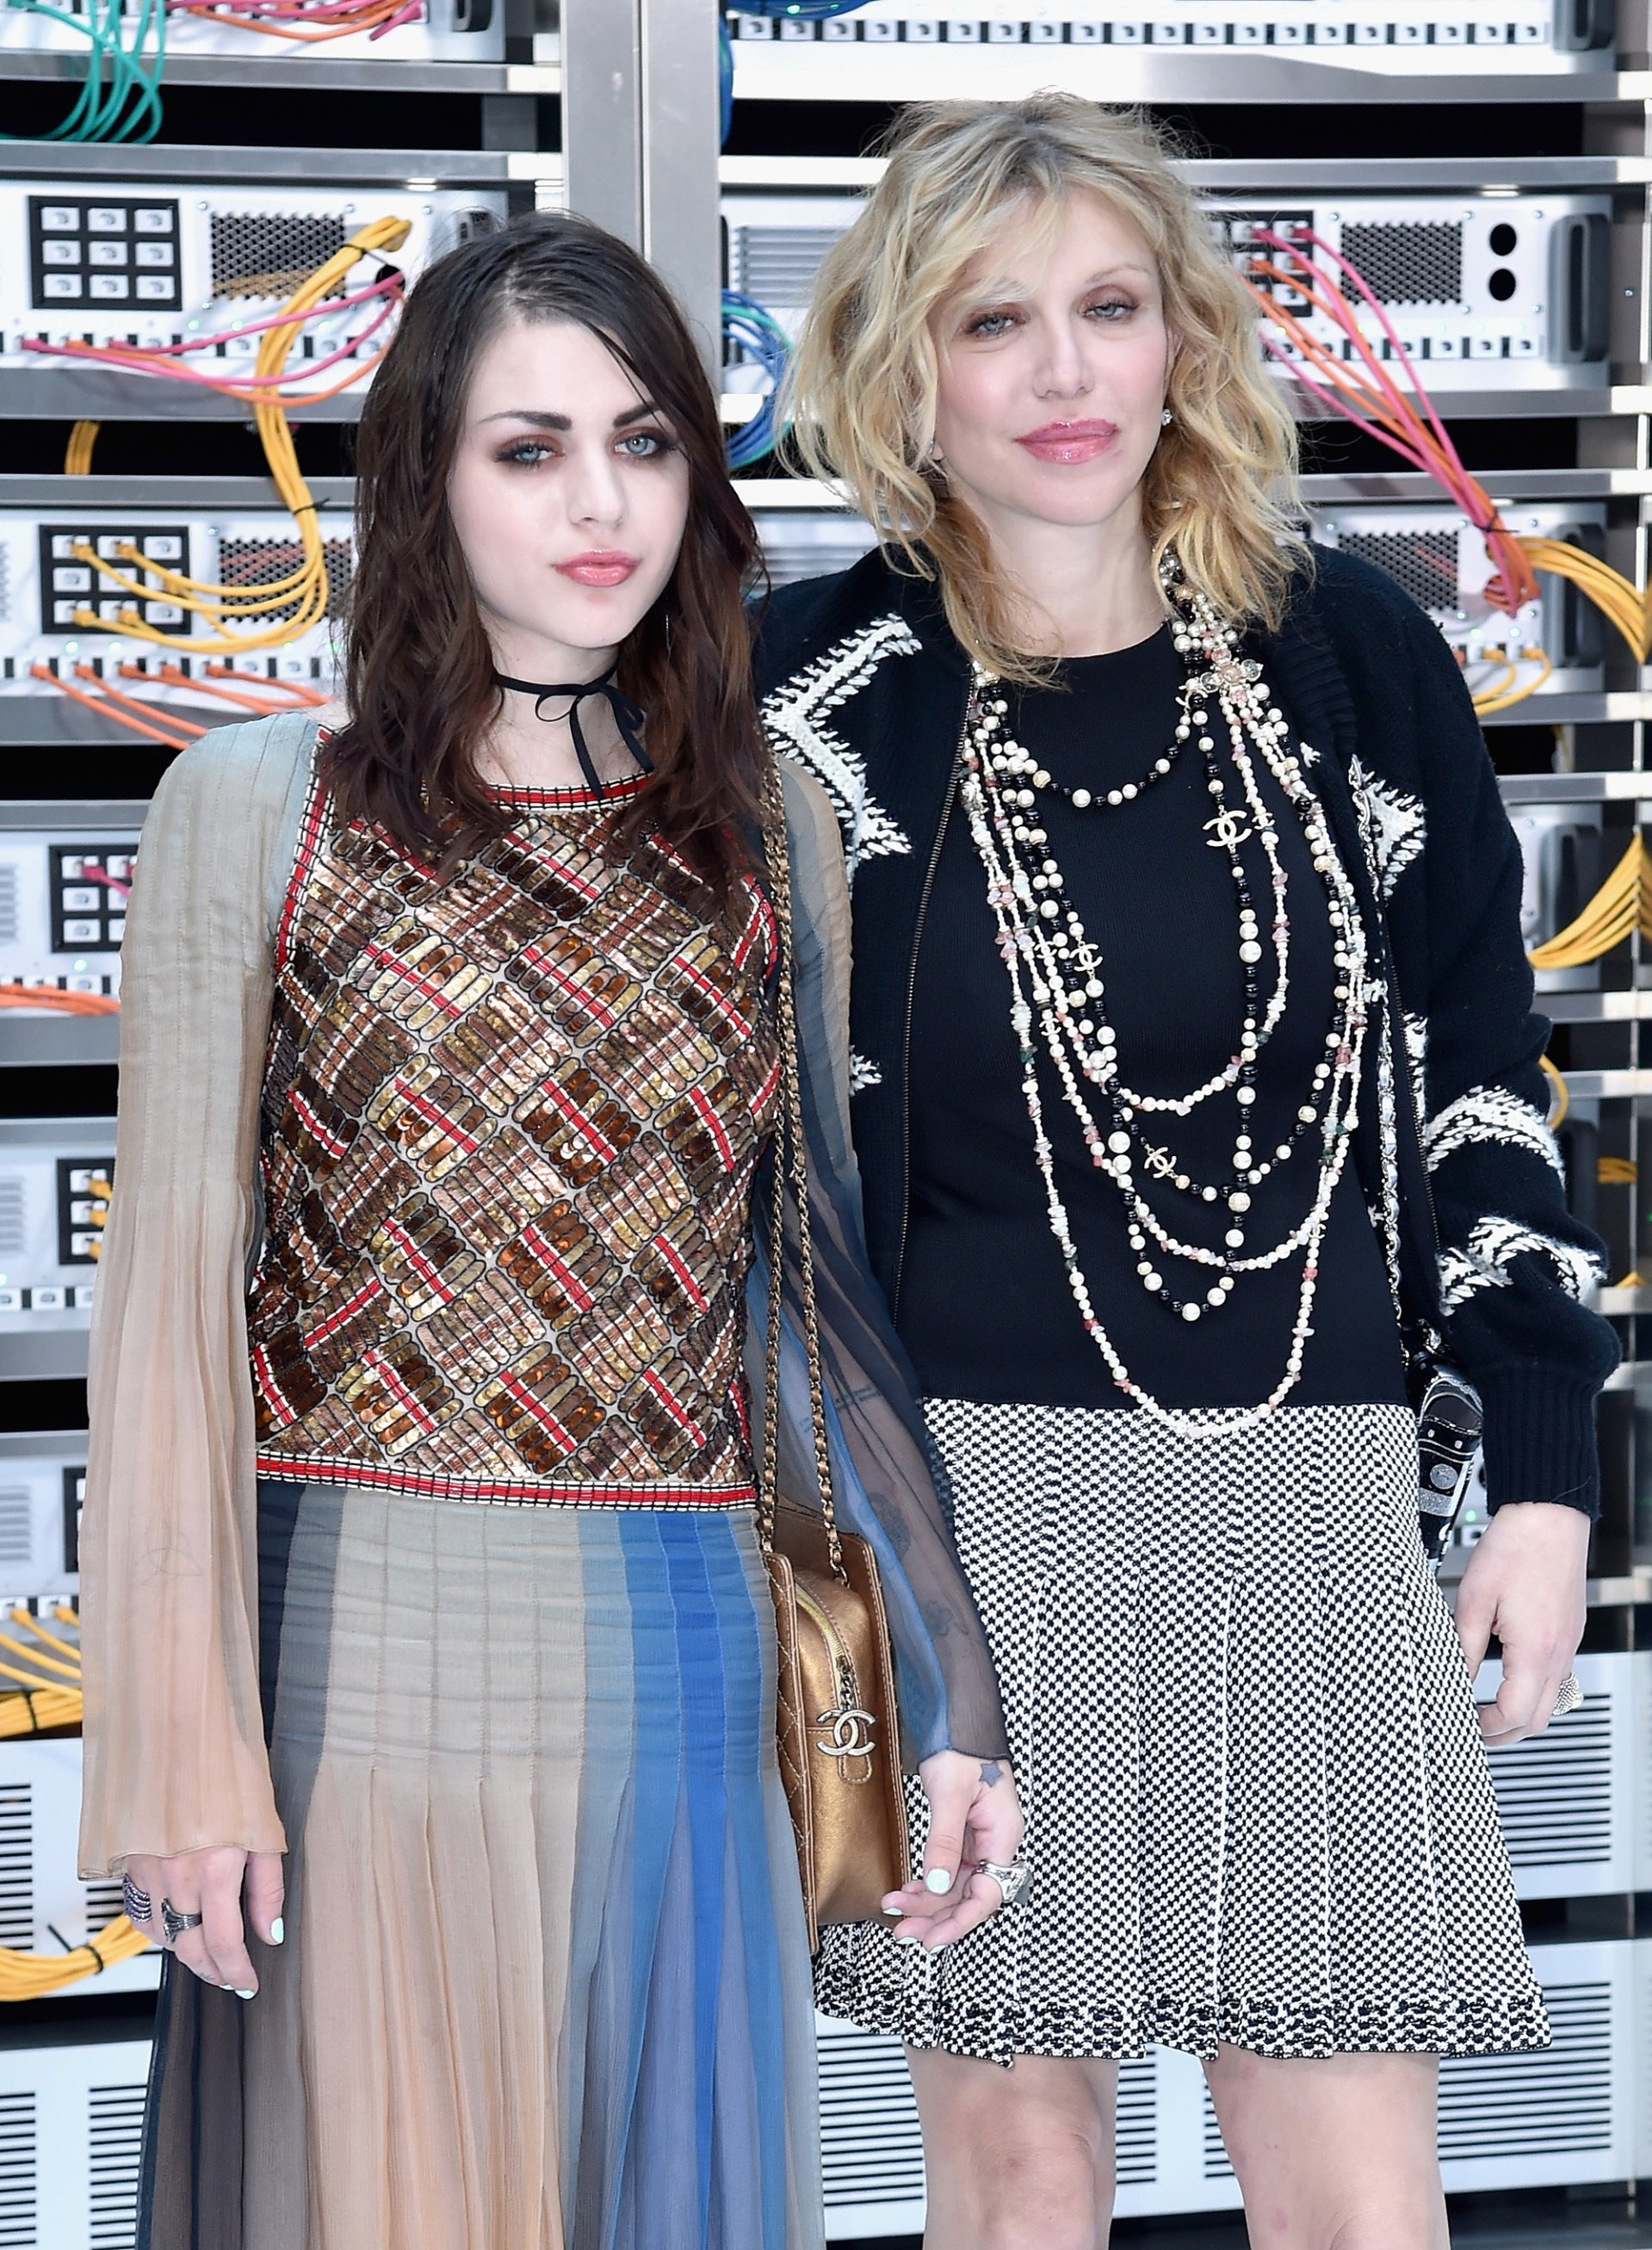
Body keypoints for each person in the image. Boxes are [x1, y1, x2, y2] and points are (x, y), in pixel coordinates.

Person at [77, 209, 1021, 2250]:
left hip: (686, 1669)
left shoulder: (769, 825)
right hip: (352, 1665)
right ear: (426, 479)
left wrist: (942, 1697)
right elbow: (165, 1317)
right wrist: (179, 1755)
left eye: (644, 440)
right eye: (530, 448)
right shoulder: (256, 808)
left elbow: (809, 1305)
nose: (603, 503)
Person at [756, 96, 1618, 2250]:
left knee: (1354, 2189)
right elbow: (753, 1187)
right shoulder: (807, 705)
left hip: (1310, 1505)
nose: (1065, 373)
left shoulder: (1352, 662)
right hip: (965, 1527)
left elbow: (1483, 1078)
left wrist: (1540, 1465)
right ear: (900, 372)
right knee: (1017, 2171)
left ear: (1185, 342)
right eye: (994, 321)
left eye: (1111, 307)